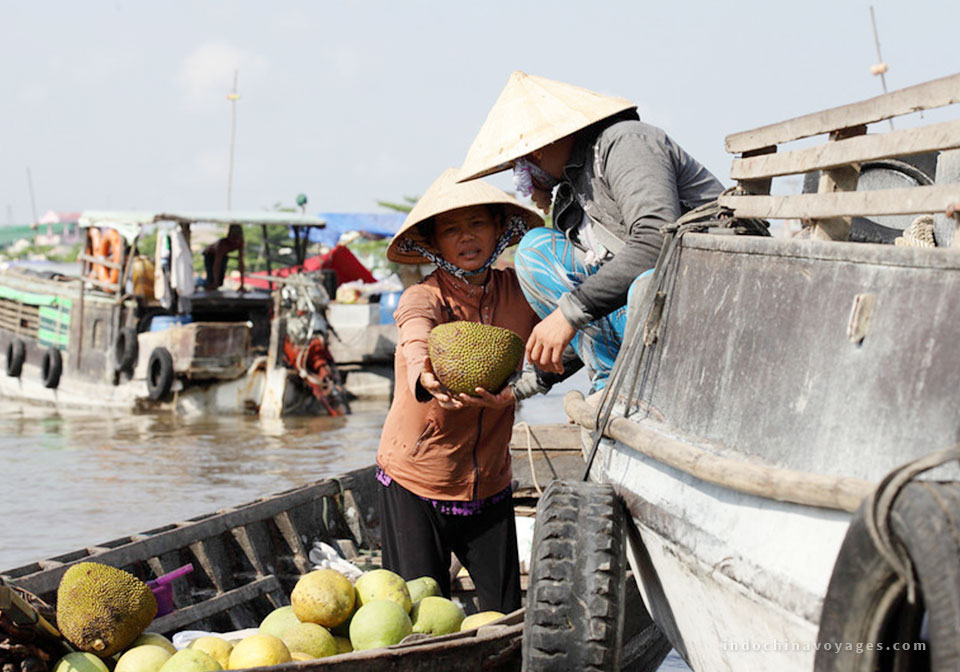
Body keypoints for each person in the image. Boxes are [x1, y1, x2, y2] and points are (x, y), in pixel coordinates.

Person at [457, 72, 724, 397]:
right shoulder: (572, 196)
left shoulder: (625, 142)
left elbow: (657, 239)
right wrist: (526, 385)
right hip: (650, 298)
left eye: (518, 164)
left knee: (638, 285)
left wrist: (566, 315)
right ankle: (611, 384)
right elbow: (590, 318)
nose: (522, 177)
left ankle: (634, 386)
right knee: (536, 251)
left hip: (710, 289)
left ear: (535, 152)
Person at [375, 168, 542, 613]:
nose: (467, 238)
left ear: (498, 229)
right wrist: (425, 377)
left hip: (489, 479)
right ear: (433, 243)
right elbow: (415, 337)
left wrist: (520, 390)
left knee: (504, 615)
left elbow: (560, 348)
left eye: (477, 224)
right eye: (452, 229)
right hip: (417, 479)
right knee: (419, 617)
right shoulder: (424, 297)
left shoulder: (523, 292)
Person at [203, 224, 244, 290]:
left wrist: (242, 284)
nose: (236, 242)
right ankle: (202, 284)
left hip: (223, 255)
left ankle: (214, 284)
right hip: (209, 254)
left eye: (237, 238)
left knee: (220, 282)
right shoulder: (223, 245)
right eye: (234, 238)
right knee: (211, 280)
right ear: (229, 236)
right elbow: (217, 264)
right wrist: (215, 283)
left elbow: (241, 263)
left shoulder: (241, 242)